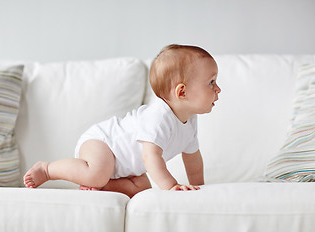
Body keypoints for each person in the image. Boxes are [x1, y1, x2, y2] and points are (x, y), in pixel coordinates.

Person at [23, 44, 221, 198]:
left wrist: (200, 189)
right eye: (211, 82)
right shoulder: (159, 117)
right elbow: (151, 158)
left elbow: (193, 159)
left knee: (142, 189)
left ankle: (100, 186)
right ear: (182, 92)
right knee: (98, 173)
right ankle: (48, 169)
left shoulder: (189, 120)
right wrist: (171, 187)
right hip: (103, 143)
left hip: (124, 168)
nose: (218, 89)